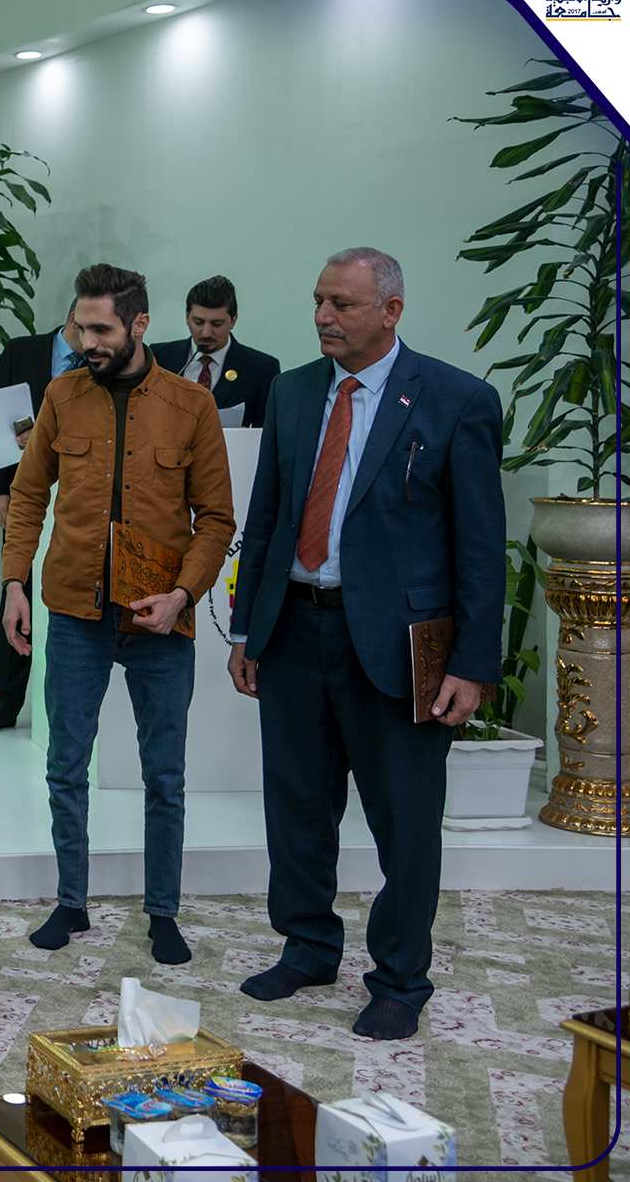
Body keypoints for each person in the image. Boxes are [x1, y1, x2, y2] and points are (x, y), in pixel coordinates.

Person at [228, 247, 500, 1041]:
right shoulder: (291, 391)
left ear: (391, 310)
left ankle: (400, 979)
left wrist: (472, 665)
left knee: (404, 820)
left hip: (399, 647)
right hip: (293, 631)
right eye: (318, 301)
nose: (323, 317)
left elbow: (481, 546)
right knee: (296, 808)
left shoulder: (456, 399)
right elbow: (266, 519)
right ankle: (308, 947)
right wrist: (247, 627)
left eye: (341, 304)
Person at [1, 263, 235, 966]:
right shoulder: (62, 395)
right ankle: (71, 902)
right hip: (75, 612)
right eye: (80, 327)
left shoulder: (192, 405)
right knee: (65, 765)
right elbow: (27, 496)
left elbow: (216, 519)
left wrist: (183, 595)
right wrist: (14, 583)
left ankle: (163, 912)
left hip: (159, 618)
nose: (87, 342)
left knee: (164, 774)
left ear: (140, 324)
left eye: (101, 329)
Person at [0, 305, 84, 735]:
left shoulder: (105, 359)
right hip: (24, 494)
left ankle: (62, 713)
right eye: (87, 328)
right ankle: (3, 705)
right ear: (73, 319)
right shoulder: (23, 351)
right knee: (15, 594)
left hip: (79, 497)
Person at [150, 275, 280, 429]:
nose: (206, 333)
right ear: (186, 316)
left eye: (217, 324)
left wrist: (246, 436)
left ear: (233, 321)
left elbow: (266, 433)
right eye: (198, 322)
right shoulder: (159, 357)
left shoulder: (261, 369)